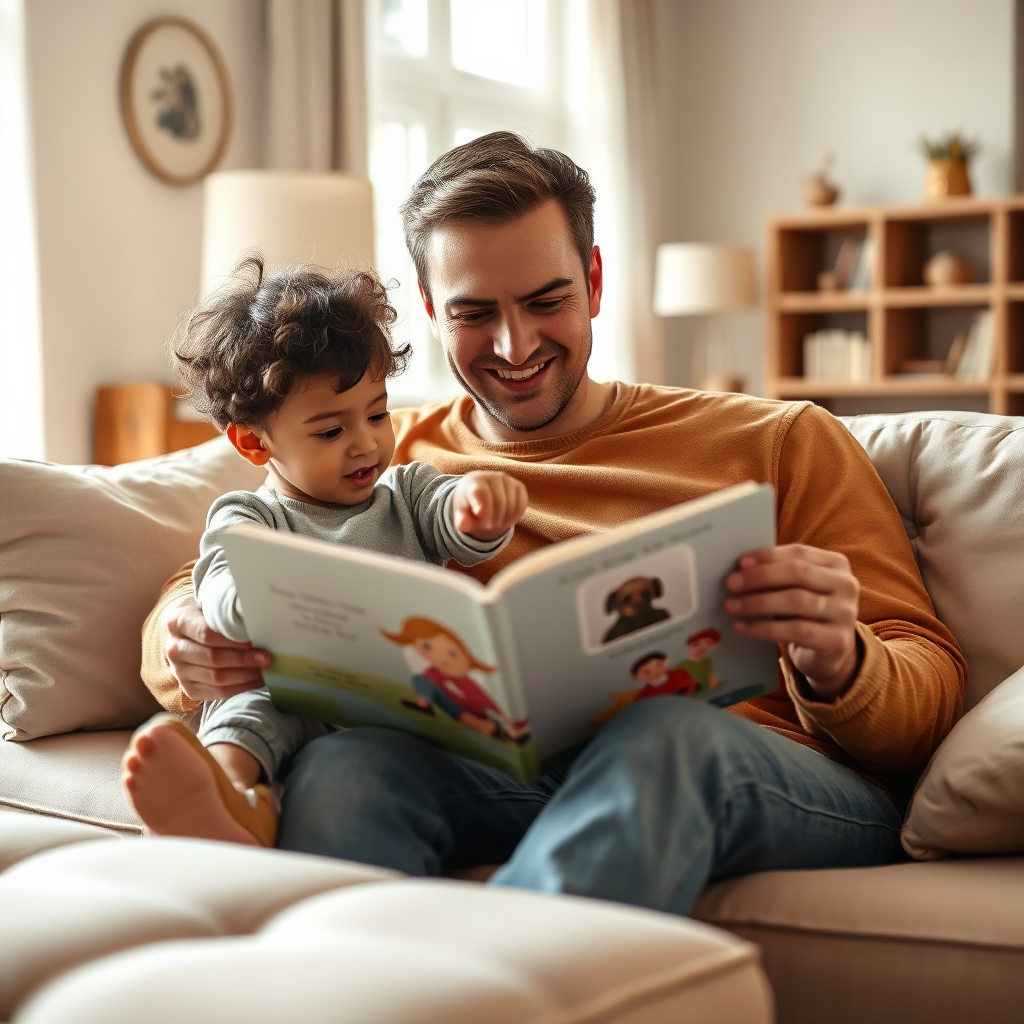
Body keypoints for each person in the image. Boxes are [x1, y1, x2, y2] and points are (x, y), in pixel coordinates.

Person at [140, 132, 966, 915]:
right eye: (473, 314)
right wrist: (183, 636)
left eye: (547, 300)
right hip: (520, 770)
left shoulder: (781, 440)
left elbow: (927, 689)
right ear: (429, 309)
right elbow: (218, 569)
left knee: (663, 735)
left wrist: (838, 658)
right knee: (344, 765)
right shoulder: (387, 455)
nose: (514, 342)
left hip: (758, 772)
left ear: (597, 282)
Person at [123, 260, 527, 848]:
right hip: (298, 691)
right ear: (254, 441)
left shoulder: (407, 492)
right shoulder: (249, 518)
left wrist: (477, 504)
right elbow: (219, 588)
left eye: (377, 414)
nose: (366, 443)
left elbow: (455, 524)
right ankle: (231, 801)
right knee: (252, 702)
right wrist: (257, 607)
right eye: (330, 432)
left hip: (407, 714)